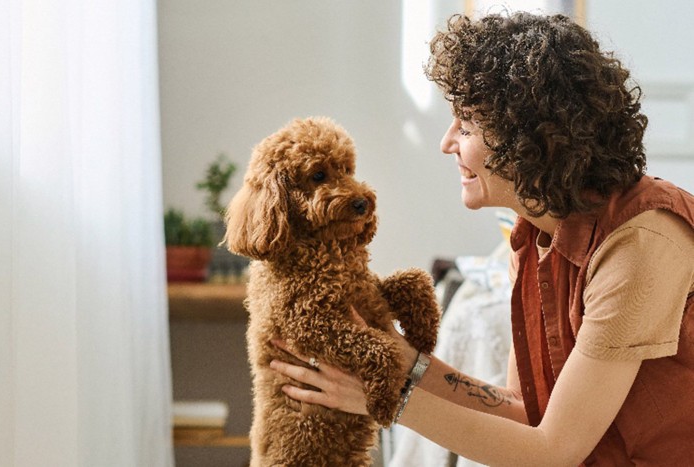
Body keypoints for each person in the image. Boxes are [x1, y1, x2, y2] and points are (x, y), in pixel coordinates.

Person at [269, 12, 694, 465]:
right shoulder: (531, 238)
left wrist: (384, 397)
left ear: (530, 138)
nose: (447, 142)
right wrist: (403, 362)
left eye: (466, 126)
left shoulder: (642, 241)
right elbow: (526, 413)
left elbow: (552, 450)